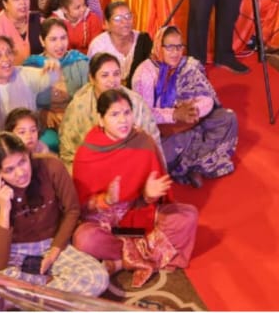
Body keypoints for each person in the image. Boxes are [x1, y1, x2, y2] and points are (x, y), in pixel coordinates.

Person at [72, 89, 199, 287]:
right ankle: (144, 255)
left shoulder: (143, 141)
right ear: (101, 119)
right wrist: (106, 200)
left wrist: (148, 195)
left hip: (139, 219)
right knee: (84, 239)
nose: (123, 120)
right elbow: (82, 207)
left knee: (188, 216)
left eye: (127, 113)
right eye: (115, 114)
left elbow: (156, 201)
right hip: (107, 227)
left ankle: (119, 263)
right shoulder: (87, 153)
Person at [0, 131, 110, 298]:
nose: (20, 173)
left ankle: (33, 295)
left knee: (98, 277)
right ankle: (49, 292)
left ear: (28, 154)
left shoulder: (51, 167)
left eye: (22, 162)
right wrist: (4, 209)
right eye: (9, 170)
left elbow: (72, 210)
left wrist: (54, 251)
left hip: (52, 244)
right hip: (14, 252)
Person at [130, 24, 239, 186]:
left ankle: (195, 164)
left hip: (190, 122)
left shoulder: (189, 66)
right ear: (159, 46)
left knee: (227, 118)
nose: (176, 53)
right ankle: (192, 164)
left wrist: (193, 110)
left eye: (179, 47)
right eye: (170, 47)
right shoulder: (144, 73)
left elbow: (207, 98)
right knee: (169, 148)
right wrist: (175, 114)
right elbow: (144, 114)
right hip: (163, 133)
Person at [58, 52, 163, 170]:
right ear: (92, 79)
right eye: (105, 75)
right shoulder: (79, 106)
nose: (112, 80)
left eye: (116, 74)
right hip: (92, 168)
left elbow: (153, 142)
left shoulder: (136, 102)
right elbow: (68, 152)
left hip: (132, 166)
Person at [85, 0, 153, 84]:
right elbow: (93, 78)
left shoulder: (143, 40)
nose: (125, 22)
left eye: (128, 16)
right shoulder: (98, 46)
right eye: (118, 18)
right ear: (107, 24)